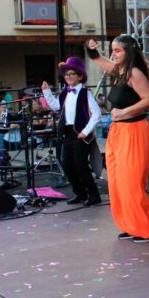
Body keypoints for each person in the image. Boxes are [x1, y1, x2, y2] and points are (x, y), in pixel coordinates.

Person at [86, 35, 149, 243]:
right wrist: (91, 48)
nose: (114, 53)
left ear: (128, 52)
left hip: (134, 131)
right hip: (118, 132)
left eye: (118, 50)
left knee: (131, 183)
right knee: (117, 182)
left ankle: (148, 228)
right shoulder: (118, 71)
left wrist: (124, 112)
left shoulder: (134, 73)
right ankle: (131, 225)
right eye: (113, 49)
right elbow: (98, 59)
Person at [42, 57, 102, 206]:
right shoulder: (64, 92)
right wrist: (46, 92)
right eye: (66, 74)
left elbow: (97, 114)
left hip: (81, 133)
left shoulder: (85, 93)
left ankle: (94, 195)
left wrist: (86, 131)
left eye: (72, 74)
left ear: (80, 76)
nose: (68, 77)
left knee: (80, 165)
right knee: (67, 164)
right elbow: (56, 106)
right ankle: (80, 193)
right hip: (67, 132)